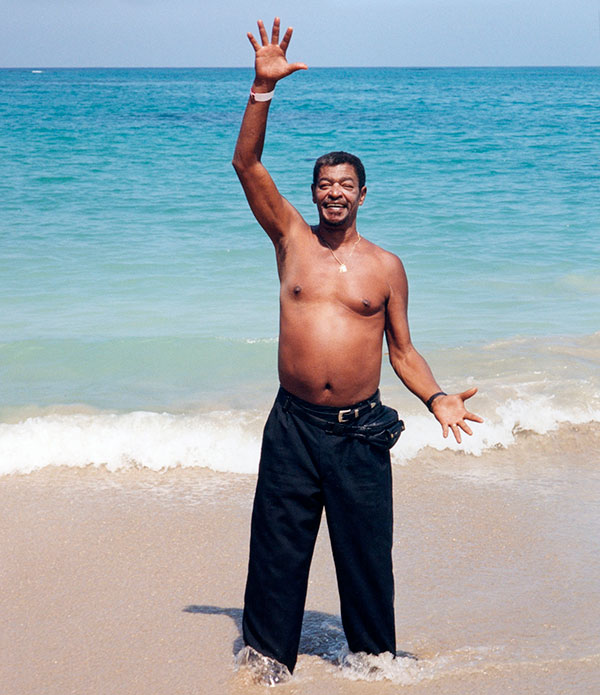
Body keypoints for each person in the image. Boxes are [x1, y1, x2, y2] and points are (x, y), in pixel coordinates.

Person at [232, 17, 483, 683]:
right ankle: (266, 660)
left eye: (347, 184)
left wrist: (437, 396)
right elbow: (247, 164)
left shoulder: (386, 267)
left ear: (363, 194)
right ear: (313, 193)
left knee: (367, 554)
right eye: (325, 184)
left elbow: (402, 350)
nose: (335, 192)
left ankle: (374, 662)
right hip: (292, 426)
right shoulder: (290, 238)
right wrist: (262, 89)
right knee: (277, 548)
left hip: (358, 431)